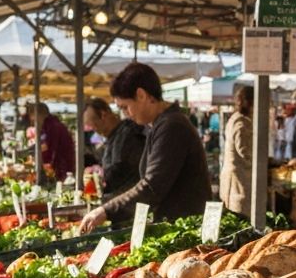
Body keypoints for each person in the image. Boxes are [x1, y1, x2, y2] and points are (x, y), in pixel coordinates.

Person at [78, 63, 210, 231]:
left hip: (186, 227)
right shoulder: (158, 125)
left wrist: (106, 210)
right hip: (174, 225)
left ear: (141, 95)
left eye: (125, 107)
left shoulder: (172, 126)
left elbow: (152, 186)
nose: (126, 114)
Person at [83, 97, 144, 197]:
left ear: (103, 115)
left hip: (127, 201)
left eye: (93, 124)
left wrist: (97, 179)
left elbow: (120, 171)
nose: (93, 130)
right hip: (120, 200)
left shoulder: (127, 134)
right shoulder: (115, 136)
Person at [220, 85, 253, 217]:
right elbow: (244, 150)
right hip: (239, 179)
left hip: (233, 178)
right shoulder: (242, 122)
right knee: (241, 216)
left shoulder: (234, 118)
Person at [35, 102, 75, 182]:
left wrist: (47, 166)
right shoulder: (49, 125)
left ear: (39, 115)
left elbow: (51, 149)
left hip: (62, 168)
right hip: (62, 166)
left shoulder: (52, 126)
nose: (33, 119)